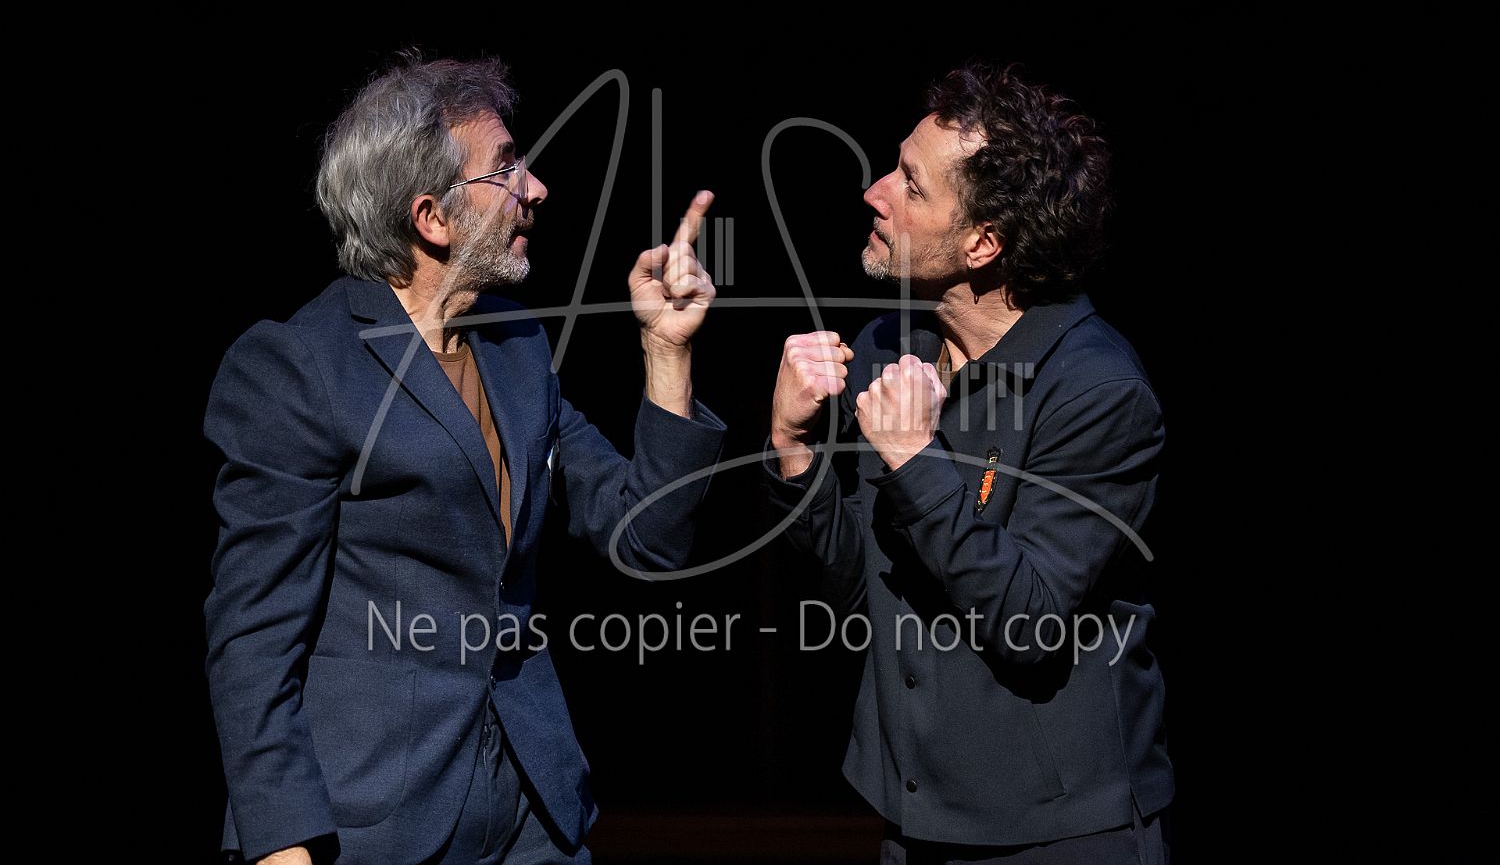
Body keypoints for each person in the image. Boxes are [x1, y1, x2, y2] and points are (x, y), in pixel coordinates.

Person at [204, 53, 727, 864]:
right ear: (432, 218)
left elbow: (647, 537)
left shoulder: (518, 348)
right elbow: (253, 636)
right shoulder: (300, 367)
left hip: (531, 809)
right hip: (373, 819)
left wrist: (666, 352)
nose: (536, 189)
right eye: (506, 168)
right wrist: (282, 845)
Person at [763, 62, 1173, 863]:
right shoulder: (892, 345)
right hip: (915, 817)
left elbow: (1029, 625)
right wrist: (792, 450)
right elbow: (865, 589)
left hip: (1054, 832)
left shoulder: (1096, 390)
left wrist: (917, 460)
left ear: (983, 243)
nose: (876, 193)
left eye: (911, 186)